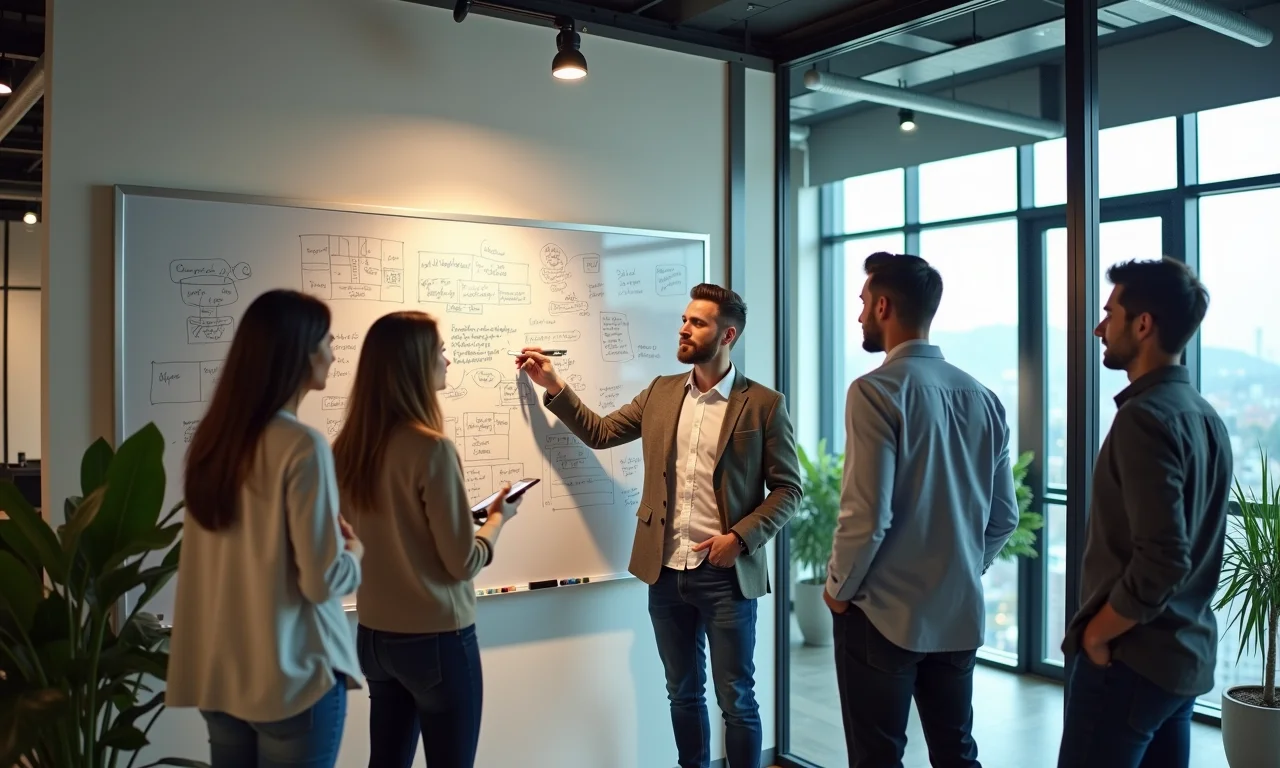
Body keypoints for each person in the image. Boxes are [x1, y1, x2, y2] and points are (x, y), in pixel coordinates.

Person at [516, 283, 802, 768]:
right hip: (665, 572)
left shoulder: (764, 405)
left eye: (698, 322)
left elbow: (789, 490)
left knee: (737, 700)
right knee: (682, 695)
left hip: (726, 575)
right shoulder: (662, 392)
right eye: (685, 319)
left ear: (727, 334)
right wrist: (554, 384)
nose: (684, 328)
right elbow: (602, 432)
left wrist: (740, 538)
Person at [824, 252, 1019, 768]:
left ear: (884, 305)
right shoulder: (985, 398)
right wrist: (963, 568)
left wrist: (837, 590)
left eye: (864, 303)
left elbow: (866, 516)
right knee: (956, 753)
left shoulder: (874, 391)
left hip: (881, 614)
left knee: (878, 757)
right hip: (958, 613)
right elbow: (1004, 518)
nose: (860, 315)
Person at [167, 289, 363, 768]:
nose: (334, 353)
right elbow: (320, 583)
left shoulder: (214, 444)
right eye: (327, 340)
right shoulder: (301, 446)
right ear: (299, 351)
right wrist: (354, 553)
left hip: (224, 677)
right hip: (294, 677)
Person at [1057, 258, 1231, 768]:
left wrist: (1096, 633)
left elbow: (1164, 560)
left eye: (1109, 313)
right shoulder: (1205, 416)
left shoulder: (1144, 419)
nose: (1098, 328)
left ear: (1143, 324)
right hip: (1181, 661)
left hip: (1130, 660)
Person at [332, 311, 521, 768]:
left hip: (375, 637)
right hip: (436, 639)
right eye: (439, 350)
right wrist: (497, 518)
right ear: (415, 362)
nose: (449, 360)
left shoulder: (345, 447)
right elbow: (462, 562)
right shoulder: (431, 448)